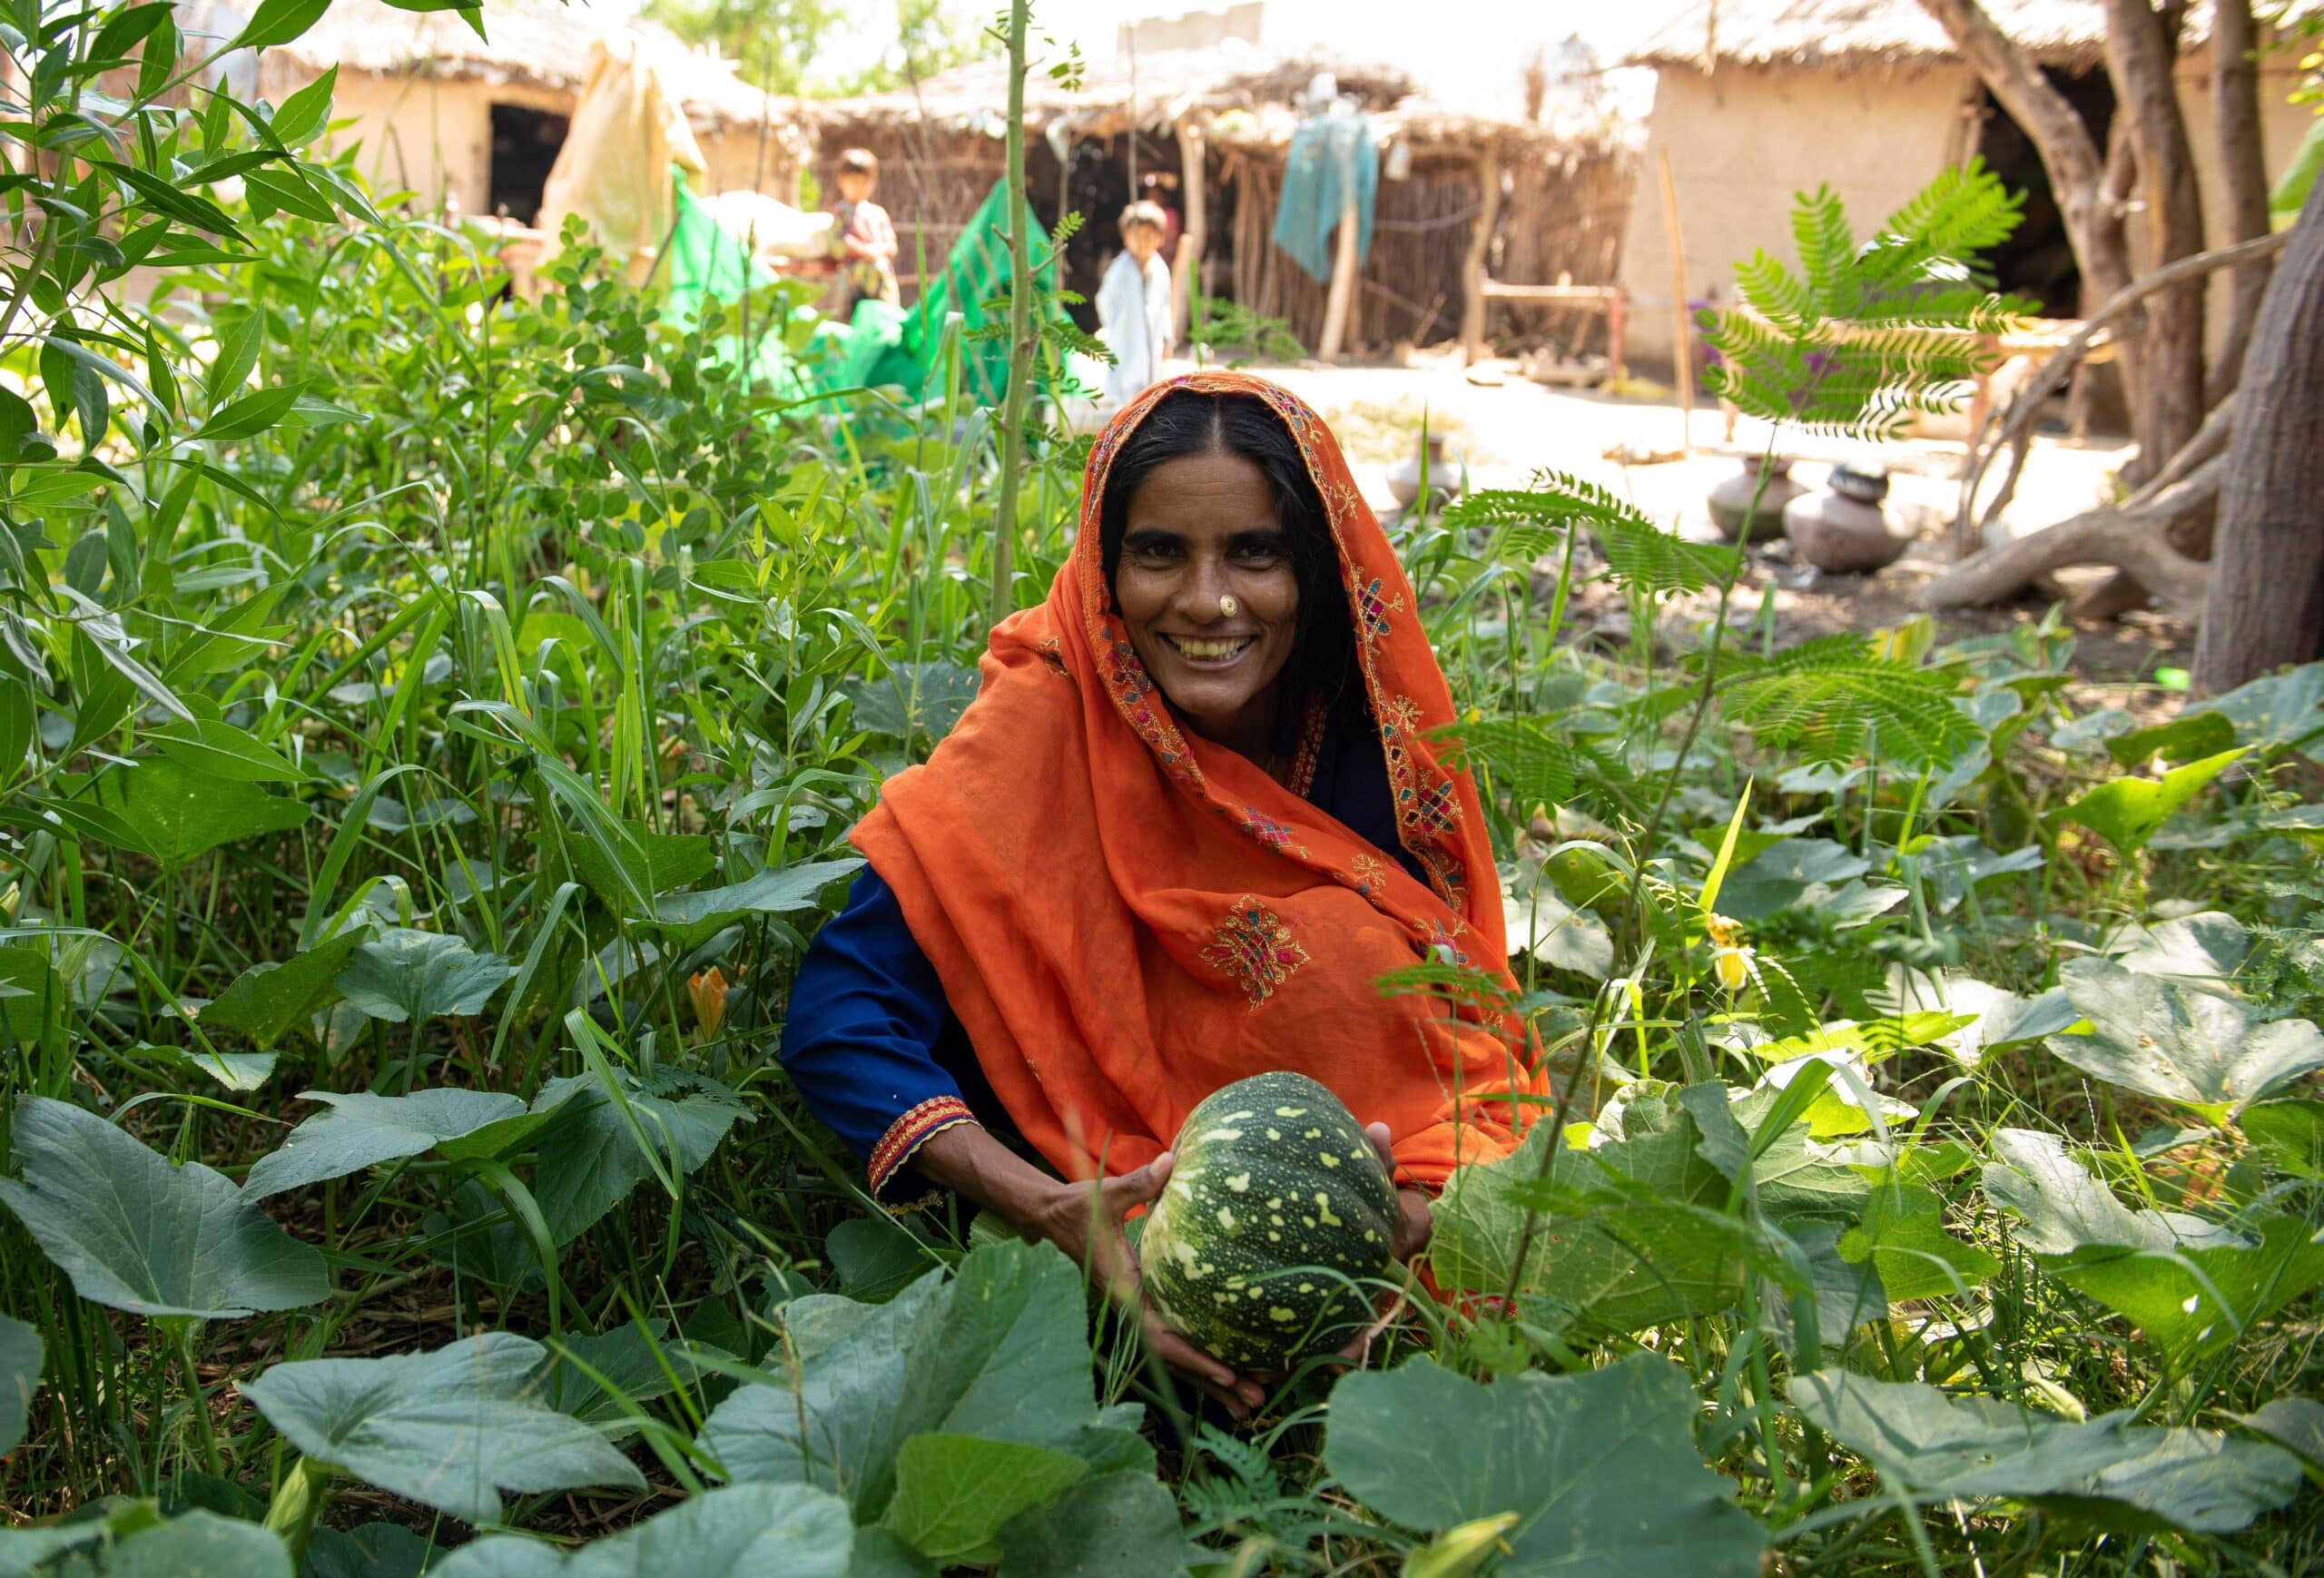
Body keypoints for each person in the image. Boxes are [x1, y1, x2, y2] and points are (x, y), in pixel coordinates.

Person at [781, 373, 1544, 1417]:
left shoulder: (1370, 738)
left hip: (1332, 1200)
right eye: (1158, 552)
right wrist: (1050, 1210)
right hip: (1104, 1193)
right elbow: (838, 1017)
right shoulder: (1043, 724)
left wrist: (1404, 1211)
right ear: (1105, 564)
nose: (1206, 599)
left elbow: (1461, 1027)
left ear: (1313, 568)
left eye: (1254, 553)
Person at [1095, 201, 1174, 409]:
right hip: (1124, 337)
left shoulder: (1160, 269)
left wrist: (1167, 336)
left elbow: (1165, 305)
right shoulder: (1120, 269)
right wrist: (1113, 324)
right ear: (1126, 237)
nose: (1142, 242)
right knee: (1121, 391)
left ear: (1160, 238)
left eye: (1149, 236)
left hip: (1151, 339)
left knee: (1148, 390)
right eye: (1136, 236)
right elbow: (1104, 300)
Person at [828, 147, 900, 316]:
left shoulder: (878, 213)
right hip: (853, 282)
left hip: (881, 282)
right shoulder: (840, 213)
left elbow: (891, 246)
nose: (859, 187)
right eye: (853, 181)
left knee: (883, 320)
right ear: (841, 180)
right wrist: (856, 248)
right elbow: (836, 245)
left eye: (864, 182)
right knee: (851, 320)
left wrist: (873, 250)